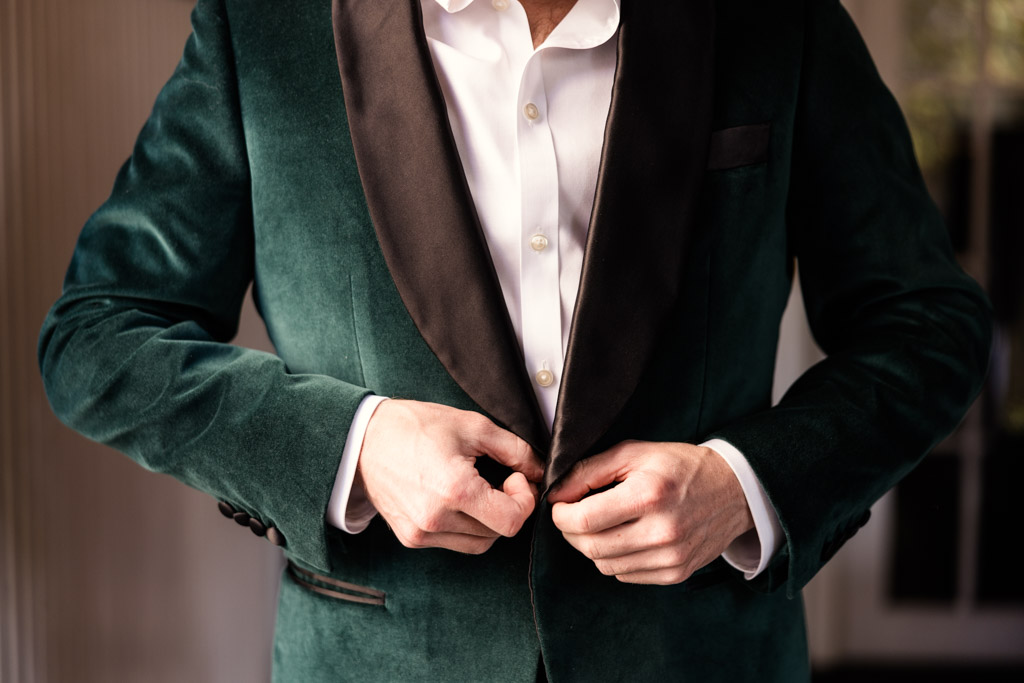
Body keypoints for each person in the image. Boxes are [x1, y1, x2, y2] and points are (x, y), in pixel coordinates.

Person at [38, 0, 991, 680]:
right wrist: (354, 447)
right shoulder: (264, 27)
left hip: (702, 658)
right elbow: (99, 336)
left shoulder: (776, 20)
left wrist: (745, 485)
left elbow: (929, 328)